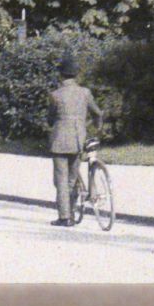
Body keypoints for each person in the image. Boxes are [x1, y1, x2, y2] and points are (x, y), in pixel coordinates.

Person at [47, 53, 99, 227]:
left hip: (59, 142)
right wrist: (97, 129)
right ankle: (71, 211)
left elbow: (50, 118)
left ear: (61, 75)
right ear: (76, 74)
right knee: (72, 178)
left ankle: (65, 217)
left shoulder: (55, 95)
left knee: (61, 180)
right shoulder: (85, 93)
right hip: (78, 141)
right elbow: (98, 113)